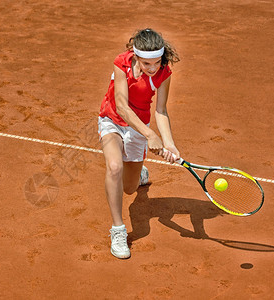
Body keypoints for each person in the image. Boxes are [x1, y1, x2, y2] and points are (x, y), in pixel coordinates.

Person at [98, 28, 180, 259]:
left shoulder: (164, 73)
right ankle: (118, 230)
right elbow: (122, 107)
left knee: (130, 188)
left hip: (137, 129)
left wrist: (169, 143)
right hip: (112, 120)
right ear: (135, 57)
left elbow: (161, 111)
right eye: (146, 63)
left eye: (156, 62)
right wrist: (151, 135)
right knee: (114, 167)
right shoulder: (121, 63)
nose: (152, 68)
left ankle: (139, 173)